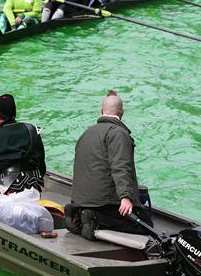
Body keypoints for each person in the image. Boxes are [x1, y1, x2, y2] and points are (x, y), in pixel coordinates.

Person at [65, 90, 153, 240]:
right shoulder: (118, 133)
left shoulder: (86, 134)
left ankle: (79, 215)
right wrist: (126, 197)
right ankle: (95, 218)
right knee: (146, 225)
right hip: (103, 202)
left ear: (101, 111)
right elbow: (120, 166)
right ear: (122, 112)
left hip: (80, 200)